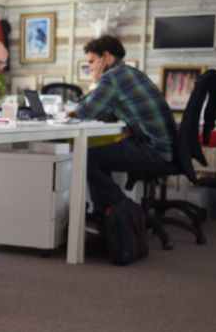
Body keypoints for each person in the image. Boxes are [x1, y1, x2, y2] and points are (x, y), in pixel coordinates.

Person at [73, 35, 177, 216]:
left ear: (106, 56)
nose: (90, 68)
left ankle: (124, 211)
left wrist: (93, 84)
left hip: (155, 150)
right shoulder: (131, 73)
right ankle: (104, 215)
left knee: (87, 156)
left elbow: (84, 112)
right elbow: (107, 113)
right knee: (98, 154)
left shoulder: (111, 78)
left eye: (91, 61)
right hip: (166, 147)